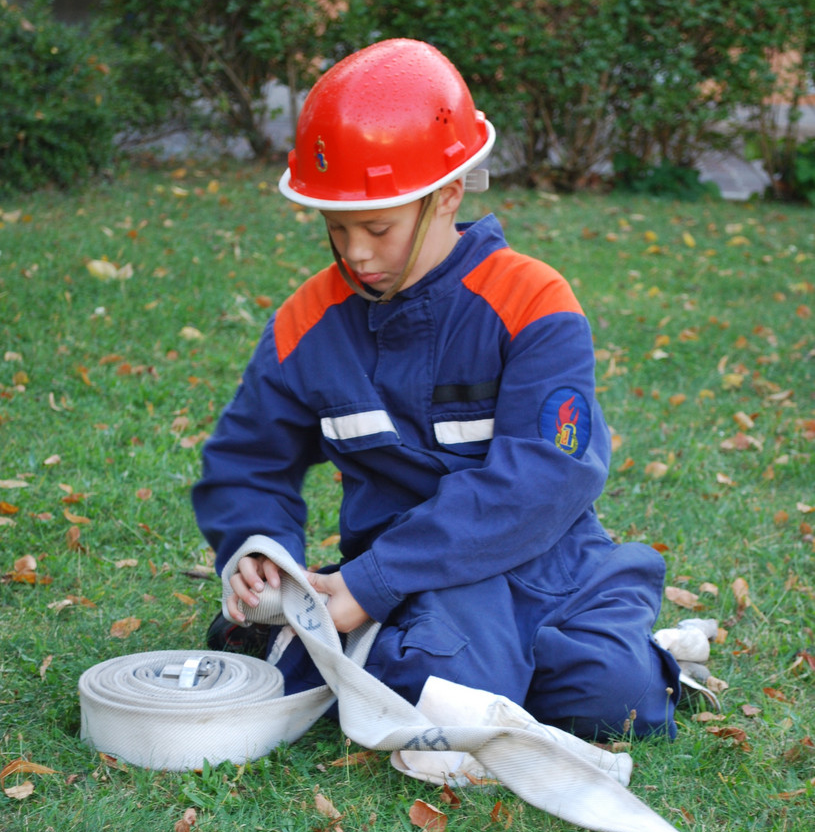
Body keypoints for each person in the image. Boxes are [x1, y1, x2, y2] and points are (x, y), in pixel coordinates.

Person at [192, 38, 681, 742]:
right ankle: (393, 648)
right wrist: (256, 546)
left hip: (550, 562)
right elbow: (247, 459)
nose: (356, 253)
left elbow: (541, 479)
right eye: (336, 228)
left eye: (379, 227)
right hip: (408, 575)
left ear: (448, 193)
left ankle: (365, 650)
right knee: (452, 684)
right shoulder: (306, 323)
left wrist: (368, 587)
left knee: (619, 704)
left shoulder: (532, 300)